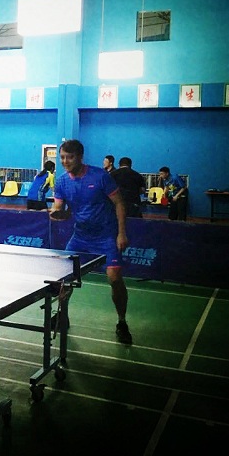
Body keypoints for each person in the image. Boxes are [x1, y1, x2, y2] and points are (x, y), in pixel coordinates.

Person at [50, 139, 132, 345]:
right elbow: (60, 209)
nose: (65, 161)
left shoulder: (100, 176)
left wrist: (121, 233)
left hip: (106, 236)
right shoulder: (61, 181)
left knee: (114, 278)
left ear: (80, 157)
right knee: (64, 277)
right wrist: (57, 214)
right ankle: (62, 315)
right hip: (80, 237)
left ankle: (122, 322)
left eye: (69, 157)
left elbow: (119, 203)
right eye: (62, 157)